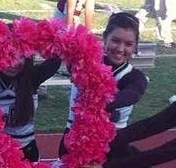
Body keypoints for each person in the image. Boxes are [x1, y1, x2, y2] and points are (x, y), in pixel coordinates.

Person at [59, 12, 148, 156]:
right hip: (73, 143)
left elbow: (132, 95)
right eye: (115, 40)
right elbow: (63, 55)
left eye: (128, 44)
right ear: (105, 38)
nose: (120, 49)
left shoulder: (135, 77)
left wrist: (96, 101)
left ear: (135, 46)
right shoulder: (84, 63)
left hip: (112, 149)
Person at [0, 55, 61, 162]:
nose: (14, 63)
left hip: (27, 151)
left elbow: (55, 58)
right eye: (8, 55)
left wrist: (34, 40)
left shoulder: (32, 76)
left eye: (21, 56)